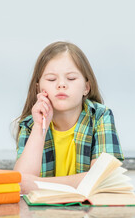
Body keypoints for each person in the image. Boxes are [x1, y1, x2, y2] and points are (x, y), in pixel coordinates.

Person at [13, 41, 124, 194]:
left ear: (86, 87)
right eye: (52, 79)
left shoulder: (100, 116)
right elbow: (21, 184)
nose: (61, 85)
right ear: (38, 87)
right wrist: (39, 127)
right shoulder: (31, 124)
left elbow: (104, 180)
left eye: (71, 78)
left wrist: (38, 184)